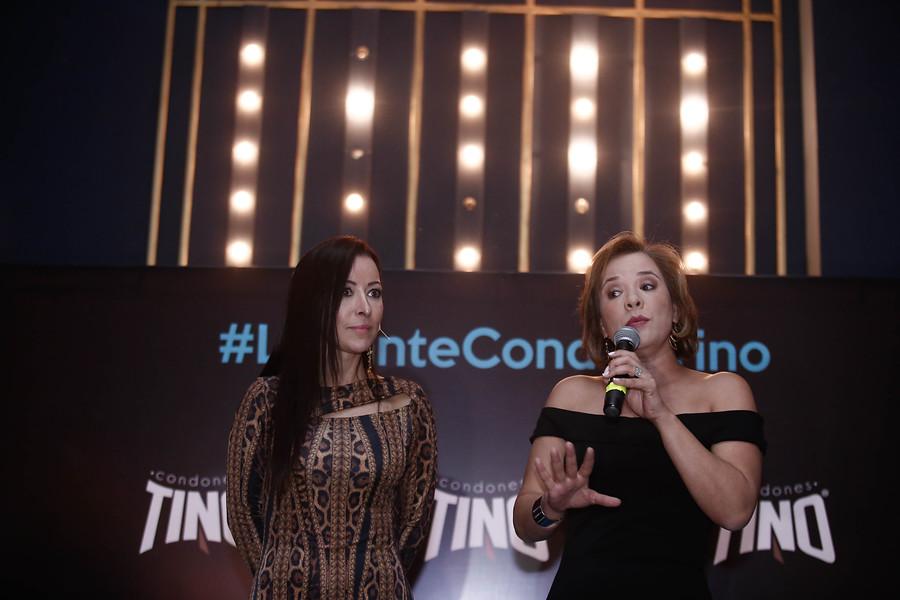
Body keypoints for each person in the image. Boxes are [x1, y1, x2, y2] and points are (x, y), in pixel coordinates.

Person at [512, 231, 765, 599]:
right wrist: (550, 507)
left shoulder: (722, 391)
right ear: (603, 325)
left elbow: (735, 511)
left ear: (676, 310)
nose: (632, 300)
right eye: (614, 292)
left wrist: (661, 415)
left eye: (647, 286)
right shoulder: (571, 395)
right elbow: (525, 522)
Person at [226, 235, 437, 599]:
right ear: (312, 303)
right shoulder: (267, 400)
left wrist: (376, 577)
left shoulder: (407, 402)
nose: (364, 308)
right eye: (345, 292)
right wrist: (282, 577)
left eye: (374, 293)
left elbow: (414, 521)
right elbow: (243, 513)